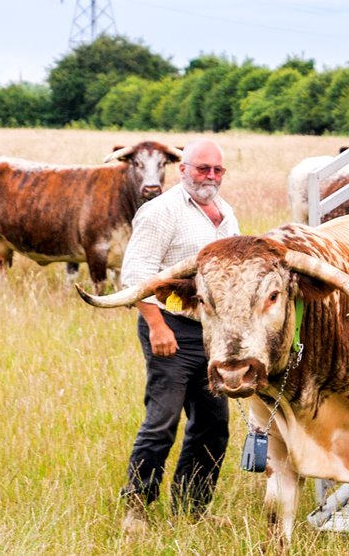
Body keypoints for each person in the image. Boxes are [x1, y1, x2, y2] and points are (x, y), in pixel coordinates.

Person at [118, 138, 240, 533]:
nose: (210, 176)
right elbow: (137, 276)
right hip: (171, 328)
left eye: (217, 170)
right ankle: (135, 506)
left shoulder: (226, 213)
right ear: (183, 169)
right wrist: (156, 326)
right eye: (202, 168)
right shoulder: (160, 211)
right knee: (162, 420)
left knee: (213, 424)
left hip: (213, 335)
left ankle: (192, 509)